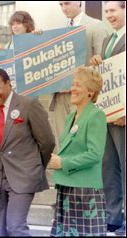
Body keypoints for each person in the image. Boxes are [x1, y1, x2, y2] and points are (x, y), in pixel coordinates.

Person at [0, 67, 55, 236]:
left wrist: (32, 167)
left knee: (15, 227)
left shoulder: (29, 105)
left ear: (8, 84)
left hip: (23, 177)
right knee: (2, 231)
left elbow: (47, 142)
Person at [50, 67, 107, 236]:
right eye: (73, 84)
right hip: (67, 187)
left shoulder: (96, 116)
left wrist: (63, 163)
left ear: (91, 91)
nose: (72, 89)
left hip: (85, 190)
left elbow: (95, 154)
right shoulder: (70, 117)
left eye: (78, 85)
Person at [48, 1, 109, 151]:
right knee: (62, 143)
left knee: (82, 144)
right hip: (60, 95)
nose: (64, 8)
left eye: (67, 3)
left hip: (83, 95)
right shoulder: (58, 30)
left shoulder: (96, 25)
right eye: (61, 5)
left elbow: (104, 63)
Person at [90, 1, 125, 235]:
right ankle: (113, 216)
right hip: (107, 114)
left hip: (124, 116)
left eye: (113, 10)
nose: (109, 15)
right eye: (107, 11)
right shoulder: (106, 41)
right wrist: (96, 63)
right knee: (108, 167)